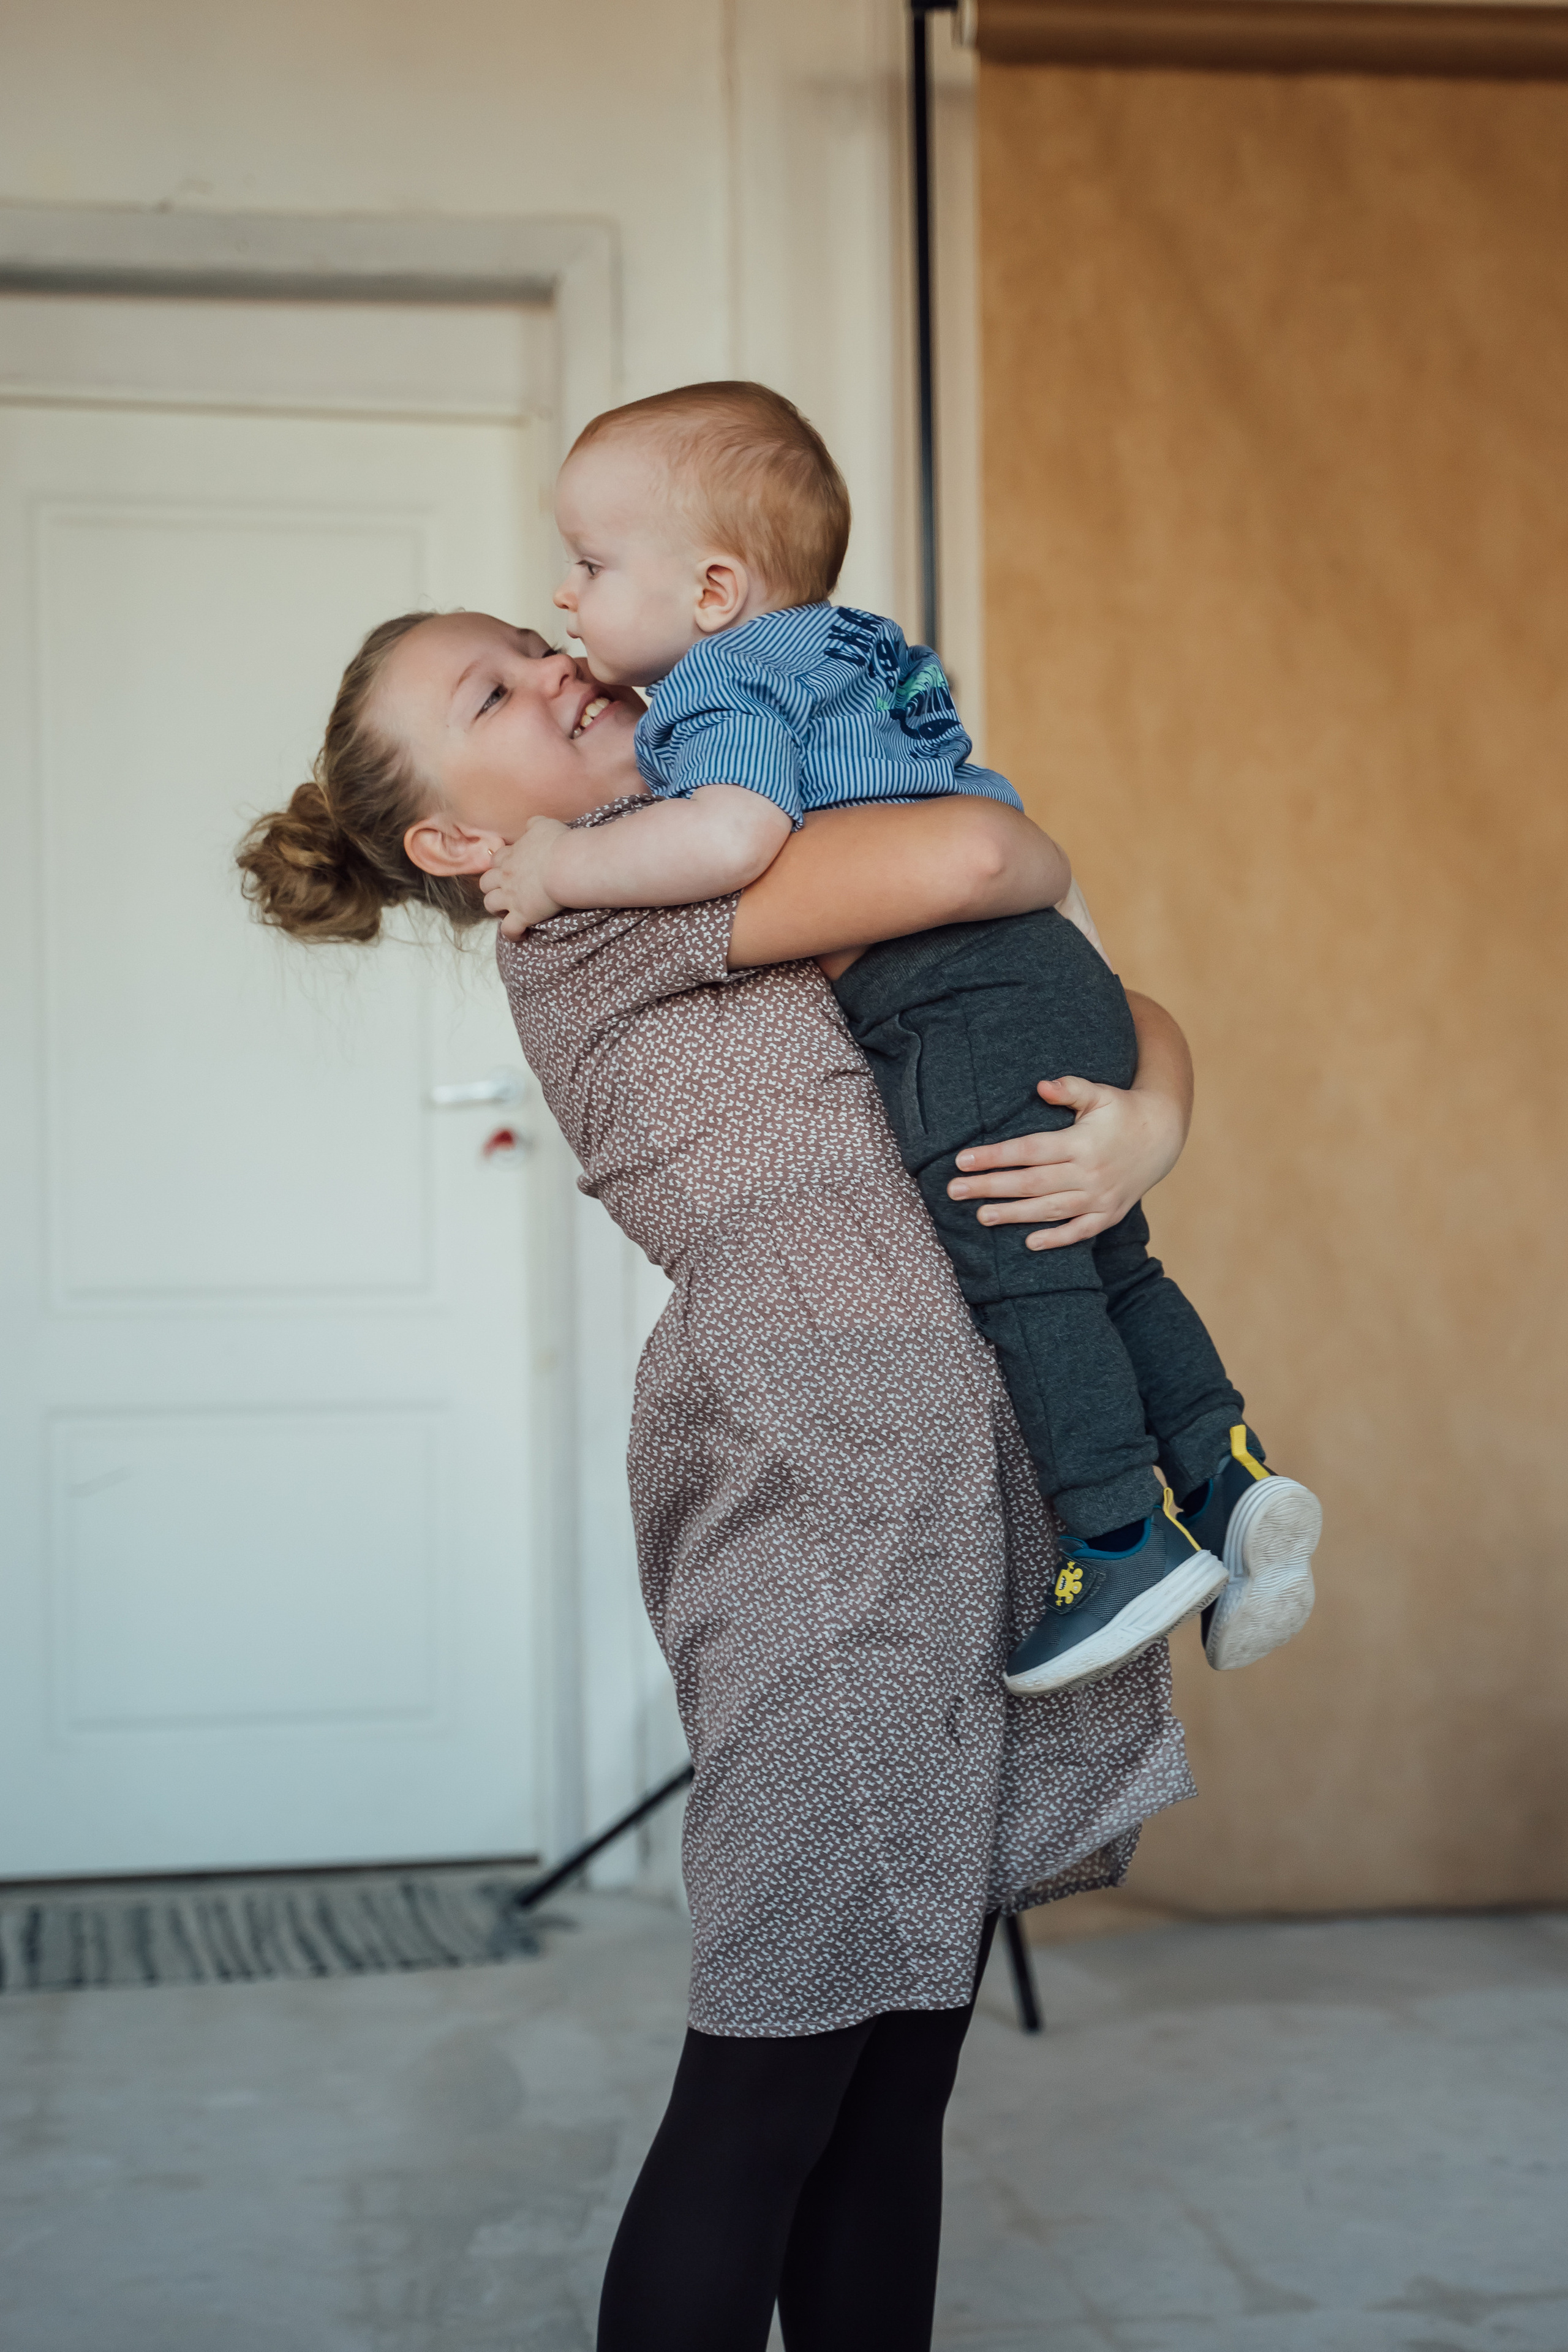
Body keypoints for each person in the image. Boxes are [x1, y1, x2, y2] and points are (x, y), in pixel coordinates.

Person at [238, 610, 1203, 2352]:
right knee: (771, 2069)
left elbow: (1071, 981)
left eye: (539, 640)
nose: (557, 672)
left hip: (977, 1468)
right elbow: (994, 850)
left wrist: (1160, 1113)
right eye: (497, 696)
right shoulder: (591, 911)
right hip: (831, 1487)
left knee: (901, 2073)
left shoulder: (728, 824)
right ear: (467, 847)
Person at [480, 380, 1321, 1697]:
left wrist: (558, 873)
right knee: (1108, 1259)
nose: (567, 601)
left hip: (951, 990)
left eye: (588, 565)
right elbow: (1009, 831)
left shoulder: (717, 688)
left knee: (1022, 1267)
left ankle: (1112, 1536)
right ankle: (1225, 1477)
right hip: (1044, 963)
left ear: (710, 590)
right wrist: (1092, 985)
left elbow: (732, 838)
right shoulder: (862, 647)